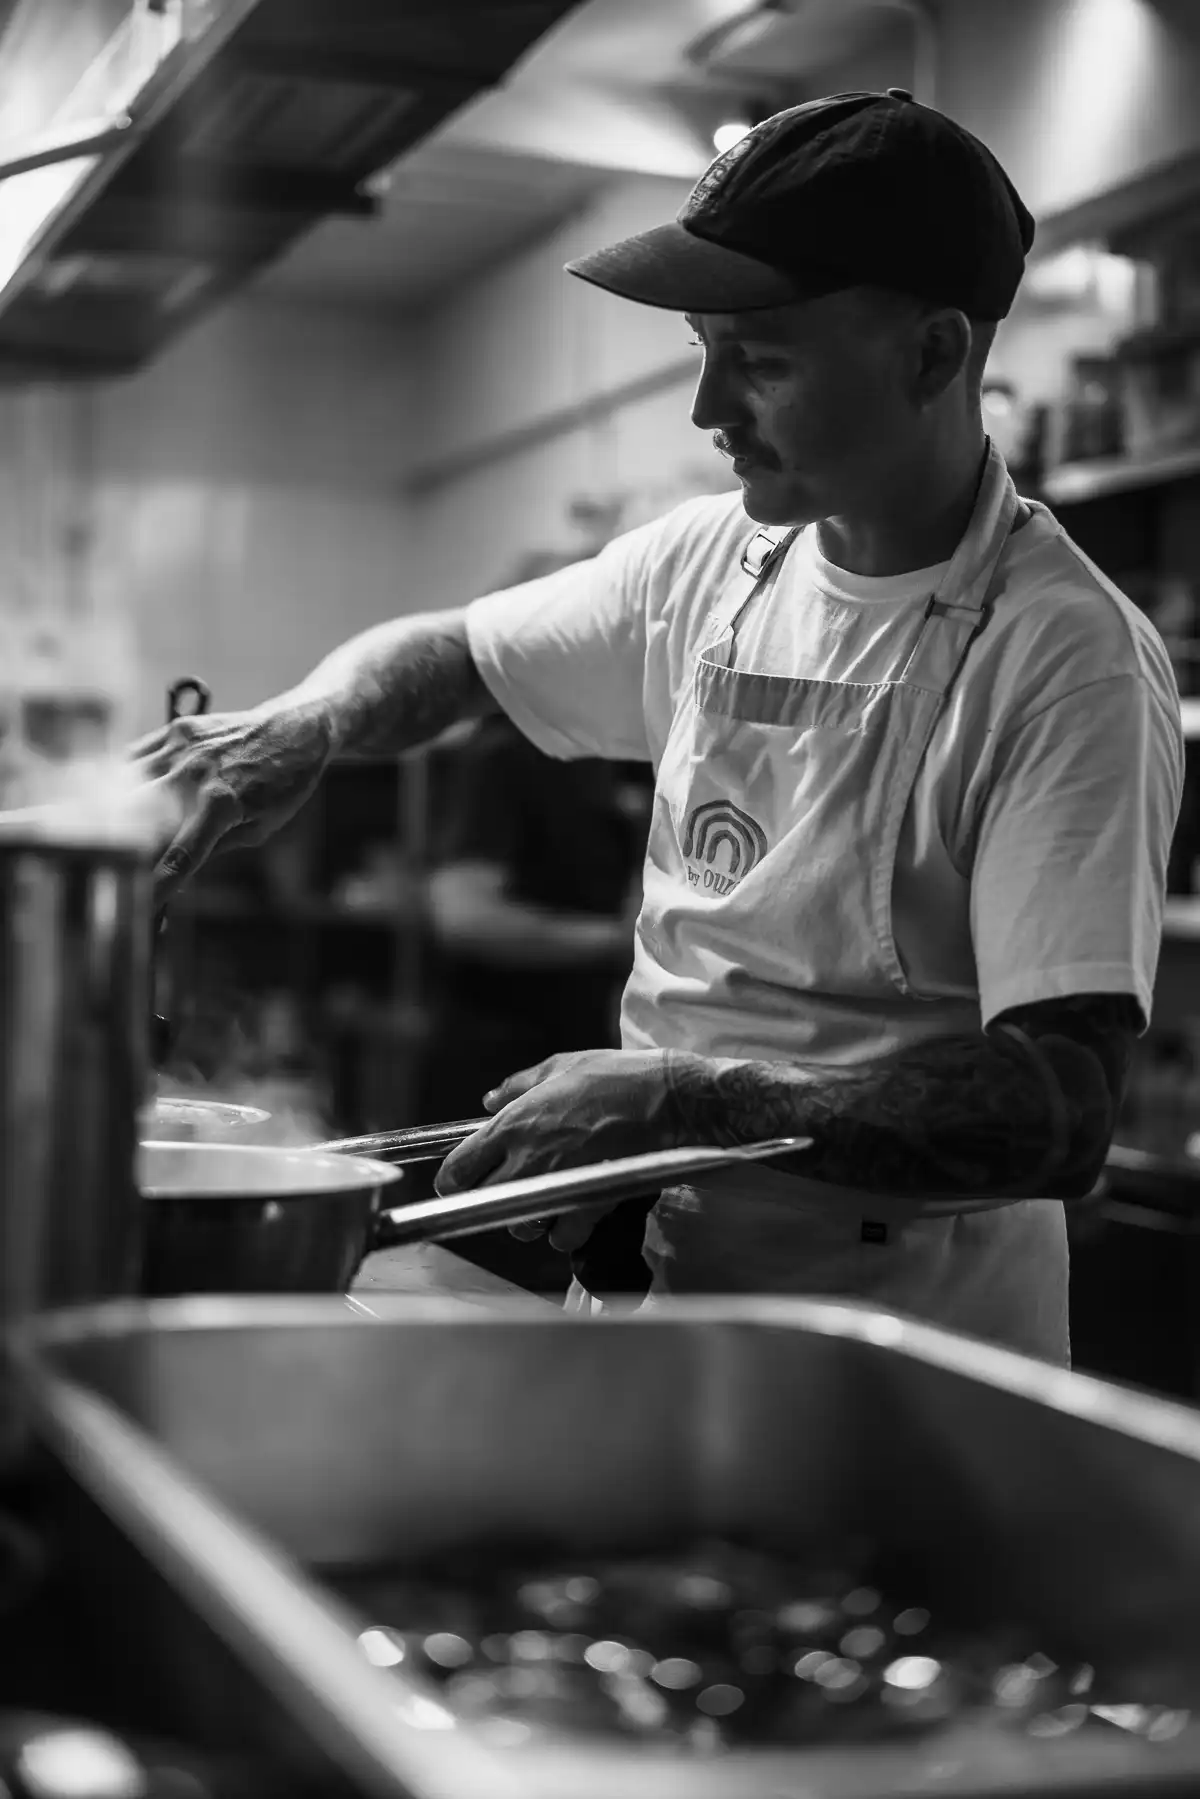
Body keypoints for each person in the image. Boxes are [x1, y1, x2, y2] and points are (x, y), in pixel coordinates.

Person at [134, 90, 1184, 1364]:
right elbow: (457, 650)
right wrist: (306, 723)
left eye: (763, 361)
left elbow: (1052, 1108)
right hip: (666, 1300)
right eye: (702, 348)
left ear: (932, 354)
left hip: (898, 1358)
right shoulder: (713, 561)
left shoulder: (1064, 654)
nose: (706, 408)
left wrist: (681, 1097)